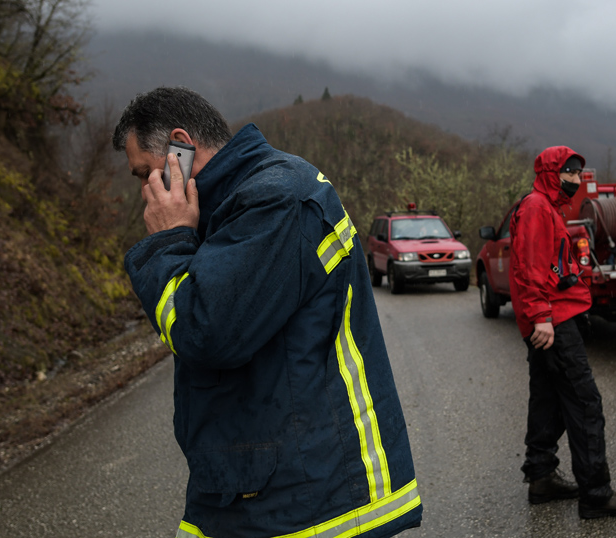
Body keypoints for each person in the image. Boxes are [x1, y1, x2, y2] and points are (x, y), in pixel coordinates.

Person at [112, 87, 422, 538]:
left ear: (180, 146)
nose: (145, 191)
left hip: (309, 499)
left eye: (145, 173)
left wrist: (169, 240)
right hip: (249, 485)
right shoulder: (227, 207)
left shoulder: (275, 198)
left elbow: (204, 329)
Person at [508, 146, 616, 519]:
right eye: (569, 173)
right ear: (552, 173)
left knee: (548, 399)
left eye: (579, 174)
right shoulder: (536, 207)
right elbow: (529, 268)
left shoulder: (549, 208)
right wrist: (541, 316)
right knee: (585, 404)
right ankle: (596, 495)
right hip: (553, 321)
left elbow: (552, 265)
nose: (576, 180)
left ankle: (541, 477)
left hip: (553, 317)